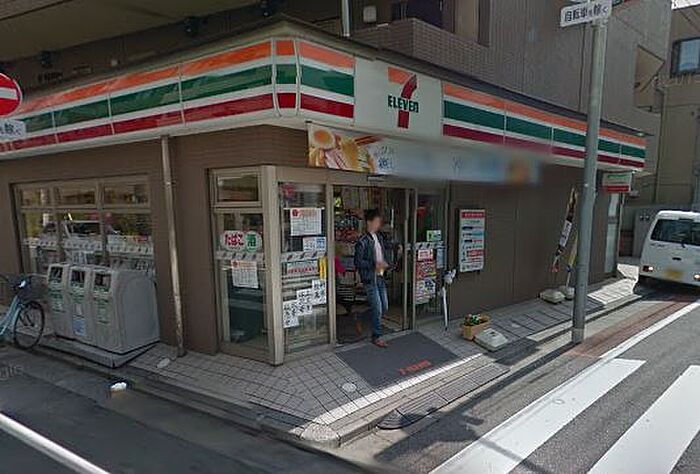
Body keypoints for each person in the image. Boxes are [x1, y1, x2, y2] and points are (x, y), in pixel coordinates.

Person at [354, 209, 392, 348]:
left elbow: (385, 250)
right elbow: (358, 262)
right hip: (370, 279)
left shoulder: (379, 237)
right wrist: (374, 264)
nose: (378, 224)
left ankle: (360, 317)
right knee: (378, 308)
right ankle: (377, 336)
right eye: (376, 222)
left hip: (380, 276)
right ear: (369, 222)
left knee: (384, 307)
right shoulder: (362, 241)